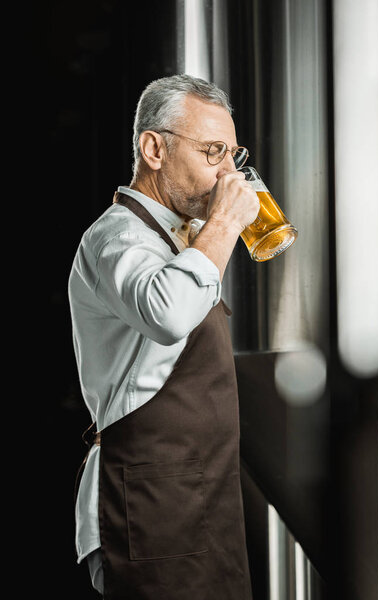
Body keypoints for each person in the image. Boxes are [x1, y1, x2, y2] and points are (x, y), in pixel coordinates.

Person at [68, 73, 259, 599]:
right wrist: (222, 226)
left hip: (201, 502)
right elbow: (168, 313)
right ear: (154, 148)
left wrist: (206, 233)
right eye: (213, 151)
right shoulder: (117, 235)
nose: (229, 175)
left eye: (233, 155)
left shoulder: (179, 240)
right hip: (148, 505)